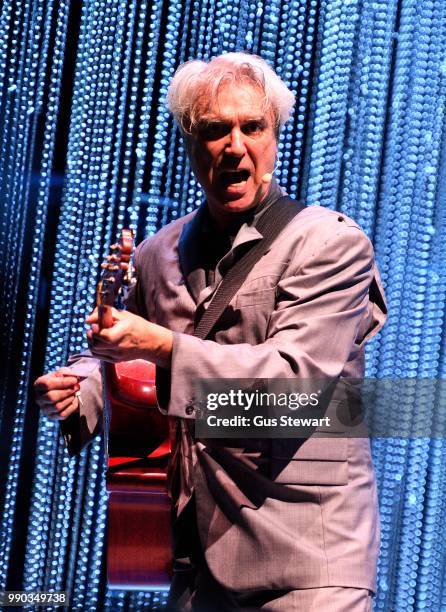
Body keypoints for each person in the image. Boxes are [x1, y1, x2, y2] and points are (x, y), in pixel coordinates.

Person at [35, 53, 387, 611]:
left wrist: (162, 345)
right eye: (215, 129)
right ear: (189, 142)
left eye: (253, 127)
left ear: (274, 138)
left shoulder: (330, 244)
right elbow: (124, 361)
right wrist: (81, 387)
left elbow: (295, 386)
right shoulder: (158, 253)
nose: (235, 145)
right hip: (194, 557)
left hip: (308, 561)